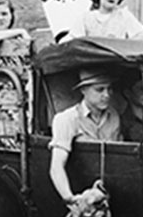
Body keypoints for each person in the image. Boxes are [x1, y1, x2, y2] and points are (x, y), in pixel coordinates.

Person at [49, 68, 122, 204]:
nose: (107, 95)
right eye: (99, 90)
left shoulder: (114, 116)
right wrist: (69, 197)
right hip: (81, 194)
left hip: (109, 195)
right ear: (83, 90)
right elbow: (57, 166)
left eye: (109, 89)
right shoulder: (67, 119)